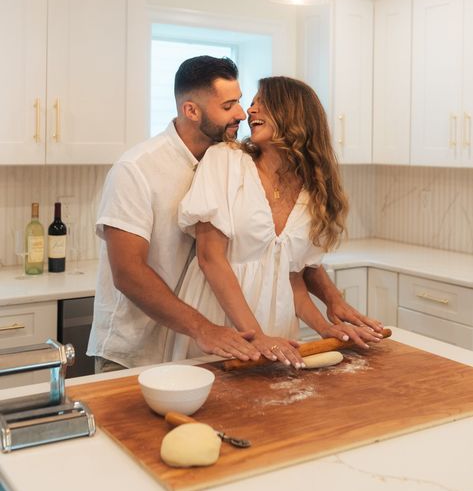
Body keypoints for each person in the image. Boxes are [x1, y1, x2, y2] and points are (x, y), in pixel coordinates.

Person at [88, 58, 382, 372]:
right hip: (137, 346)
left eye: (243, 102)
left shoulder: (228, 158)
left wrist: (331, 305)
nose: (243, 113)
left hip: (218, 336)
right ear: (192, 111)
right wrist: (206, 329)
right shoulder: (137, 169)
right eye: (230, 105)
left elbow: (286, 261)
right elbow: (129, 274)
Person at [164, 76, 383, 367]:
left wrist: (325, 329)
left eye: (261, 103)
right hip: (223, 328)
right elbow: (210, 258)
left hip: (277, 335)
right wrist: (255, 336)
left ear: (292, 114)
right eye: (251, 103)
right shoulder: (225, 161)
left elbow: (290, 280)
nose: (250, 111)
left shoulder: (312, 190)